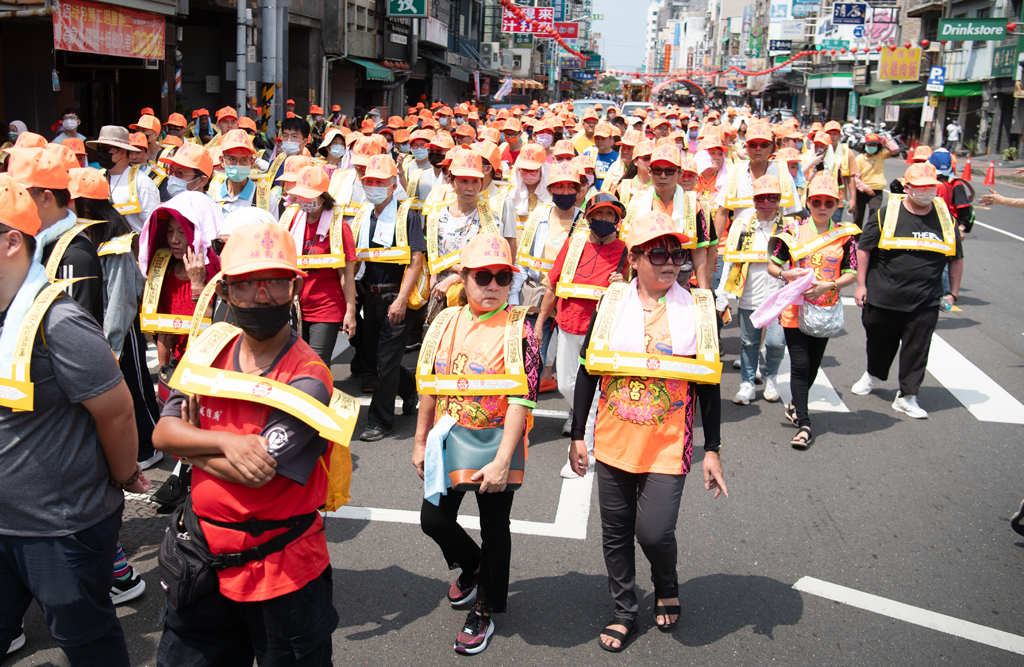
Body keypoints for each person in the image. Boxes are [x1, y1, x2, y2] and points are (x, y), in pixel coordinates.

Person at [152, 222, 340, 666]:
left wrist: (192, 445)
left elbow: (257, 474)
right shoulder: (209, 348)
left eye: (274, 282)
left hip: (282, 573)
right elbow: (162, 433)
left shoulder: (309, 376)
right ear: (225, 291)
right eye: (246, 284)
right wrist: (227, 443)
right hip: (200, 559)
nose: (261, 295)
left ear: (294, 287)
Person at [0, 173, 147, 664]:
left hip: (59, 527)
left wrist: (124, 475)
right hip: (5, 521)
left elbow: (118, 411)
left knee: (87, 642)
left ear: (11, 242)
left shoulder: (59, 323)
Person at [570, 209, 726, 652]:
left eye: (676, 254)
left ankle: (665, 581)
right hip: (614, 438)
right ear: (635, 258)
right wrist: (577, 433)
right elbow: (587, 370)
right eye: (658, 253)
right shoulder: (612, 302)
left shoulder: (698, 308)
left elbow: (709, 387)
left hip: (668, 443)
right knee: (615, 532)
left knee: (654, 532)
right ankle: (623, 610)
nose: (670, 262)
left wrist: (711, 449)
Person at [413, 233, 540, 656]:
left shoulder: (521, 329)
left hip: (498, 439)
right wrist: (419, 441)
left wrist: (504, 460)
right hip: (448, 435)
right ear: (463, 278)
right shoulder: (445, 322)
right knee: (433, 519)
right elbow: (429, 388)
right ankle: (474, 566)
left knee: (494, 526)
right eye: (482, 276)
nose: (492, 285)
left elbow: (523, 397)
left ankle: (485, 607)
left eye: (502, 277)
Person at [851, 162, 963, 418]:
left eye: (931, 187)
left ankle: (907, 395)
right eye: (921, 188)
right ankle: (873, 374)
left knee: (917, 348)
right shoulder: (885, 213)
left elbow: (956, 257)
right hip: (883, 297)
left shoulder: (945, 218)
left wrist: (952, 293)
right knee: (879, 342)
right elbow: (864, 249)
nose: (927, 192)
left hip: (924, 300)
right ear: (908, 187)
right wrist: (861, 285)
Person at [767, 173, 859, 447]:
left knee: (814, 365)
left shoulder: (844, 236)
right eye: (816, 201)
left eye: (828, 203)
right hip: (795, 309)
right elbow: (773, 264)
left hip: (824, 309)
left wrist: (828, 285)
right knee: (800, 364)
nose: (821, 206)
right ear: (808, 202)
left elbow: (852, 273)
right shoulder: (793, 232)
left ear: (836, 204)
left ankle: (796, 402)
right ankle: (804, 424)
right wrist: (786, 274)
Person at [539, 192, 627, 475]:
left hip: (602, 332)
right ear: (588, 217)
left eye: (609, 216)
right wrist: (540, 323)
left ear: (617, 220)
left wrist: (624, 282)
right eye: (598, 215)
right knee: (566, 384)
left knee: (588, 390)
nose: (603, 220)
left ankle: (582, 453)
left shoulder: (626, 252)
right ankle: (596, 418)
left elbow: (639, 291)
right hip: (567, 325)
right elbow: (552, 286)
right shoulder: (573, 244)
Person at [351, 154, 427, 440]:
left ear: (394, 185)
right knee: (377, 357)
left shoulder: (407, 214)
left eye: (380, 181)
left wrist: (401, 300)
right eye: (368, 181)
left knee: (385, 360)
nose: (373, 186)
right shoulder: (363, 215)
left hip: (398, 296)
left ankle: (380, 421)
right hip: (370, 296)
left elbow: (416, 261)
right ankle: (408, 390)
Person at [276, 164, 358, 370]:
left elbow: (346, 272)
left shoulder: (338, 226)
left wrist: (350, 310)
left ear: (323, 197)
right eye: (300, 196)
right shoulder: (291, 220)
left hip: (325, 307)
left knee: (317, 366)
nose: (304, 201)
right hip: (294, 306)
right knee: (294, 365)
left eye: (309, 196)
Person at [717, 175, 787, 405]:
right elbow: (729, 259)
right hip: (749, 293)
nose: (766, 202)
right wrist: (723, 292)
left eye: (772, 198)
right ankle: (746, 384)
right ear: (753, 200)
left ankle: (772, 378)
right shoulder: (741, 225)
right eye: (761, 198)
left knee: (776, 343)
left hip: (779, 296)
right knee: (749, 343)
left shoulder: (789, 227)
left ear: (779, 200)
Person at [139, 192, 222, 369]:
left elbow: (213, 322)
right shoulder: (165, 269)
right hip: (177, 366)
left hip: (208, 364)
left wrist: (198, 284)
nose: (174, 240)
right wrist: (164, 374)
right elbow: (163, 329)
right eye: (169, 232)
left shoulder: (214, 268)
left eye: (181, 232)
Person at [89, 125, 161, 233]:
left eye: (105, 149)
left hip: (132, 247)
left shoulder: (141, 182)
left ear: (122, 152)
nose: (101, 154)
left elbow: (152, 225)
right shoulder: (97, 178)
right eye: (99, 150)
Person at [208, 130, 277, 215]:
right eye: (232, 159)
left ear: (251, 163)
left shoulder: (266, 200)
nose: (238, 165)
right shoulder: (212, 195)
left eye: (243, 160)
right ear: (222, 161)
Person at [588, 122, 619, 191]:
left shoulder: (618, 158)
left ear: (611, 139)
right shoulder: (588, 155)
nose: (599, 141)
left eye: (603, 138)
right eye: (597, 138)